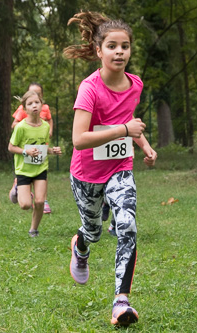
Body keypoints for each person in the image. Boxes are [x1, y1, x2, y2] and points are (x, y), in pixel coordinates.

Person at [63, 11, 157, 327]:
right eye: (112, 46)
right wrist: (124, 130)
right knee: (93, 230)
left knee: (127, 225)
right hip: (86, 174)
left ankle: (121, 301)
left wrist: (144, 145)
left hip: (120, 167)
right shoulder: (89, 88)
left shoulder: (135, 84)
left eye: (125, 46)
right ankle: (81, 245)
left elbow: (131, 125)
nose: (119, 52)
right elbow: (79, 139)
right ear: (99, 50)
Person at [8, 90, 62, 237]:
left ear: (42, 105)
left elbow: (42, 148)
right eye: (30, 104)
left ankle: (34, 230)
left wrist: (52, 151)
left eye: (37, 102)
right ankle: (17, 188)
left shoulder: (45, 126)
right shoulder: (20, 127)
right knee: (25, 205)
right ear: (25, 109)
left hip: (40, 168)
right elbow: (11, 147)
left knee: (39, 202)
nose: (34, 106)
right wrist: (26, 152)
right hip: (24, 170)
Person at [10, 82, 54, 214]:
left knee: (42, 175)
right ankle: (19, 186)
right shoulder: (24, 109)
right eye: (32, 93)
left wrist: (49, 130)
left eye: (38, 95)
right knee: (25, 203)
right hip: (25, 153)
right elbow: (14, 125)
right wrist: (27, 127)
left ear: (41, 97)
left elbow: (50, 120)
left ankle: (43, 200)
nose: (34, 104)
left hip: (40, 149)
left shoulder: (45, 108)